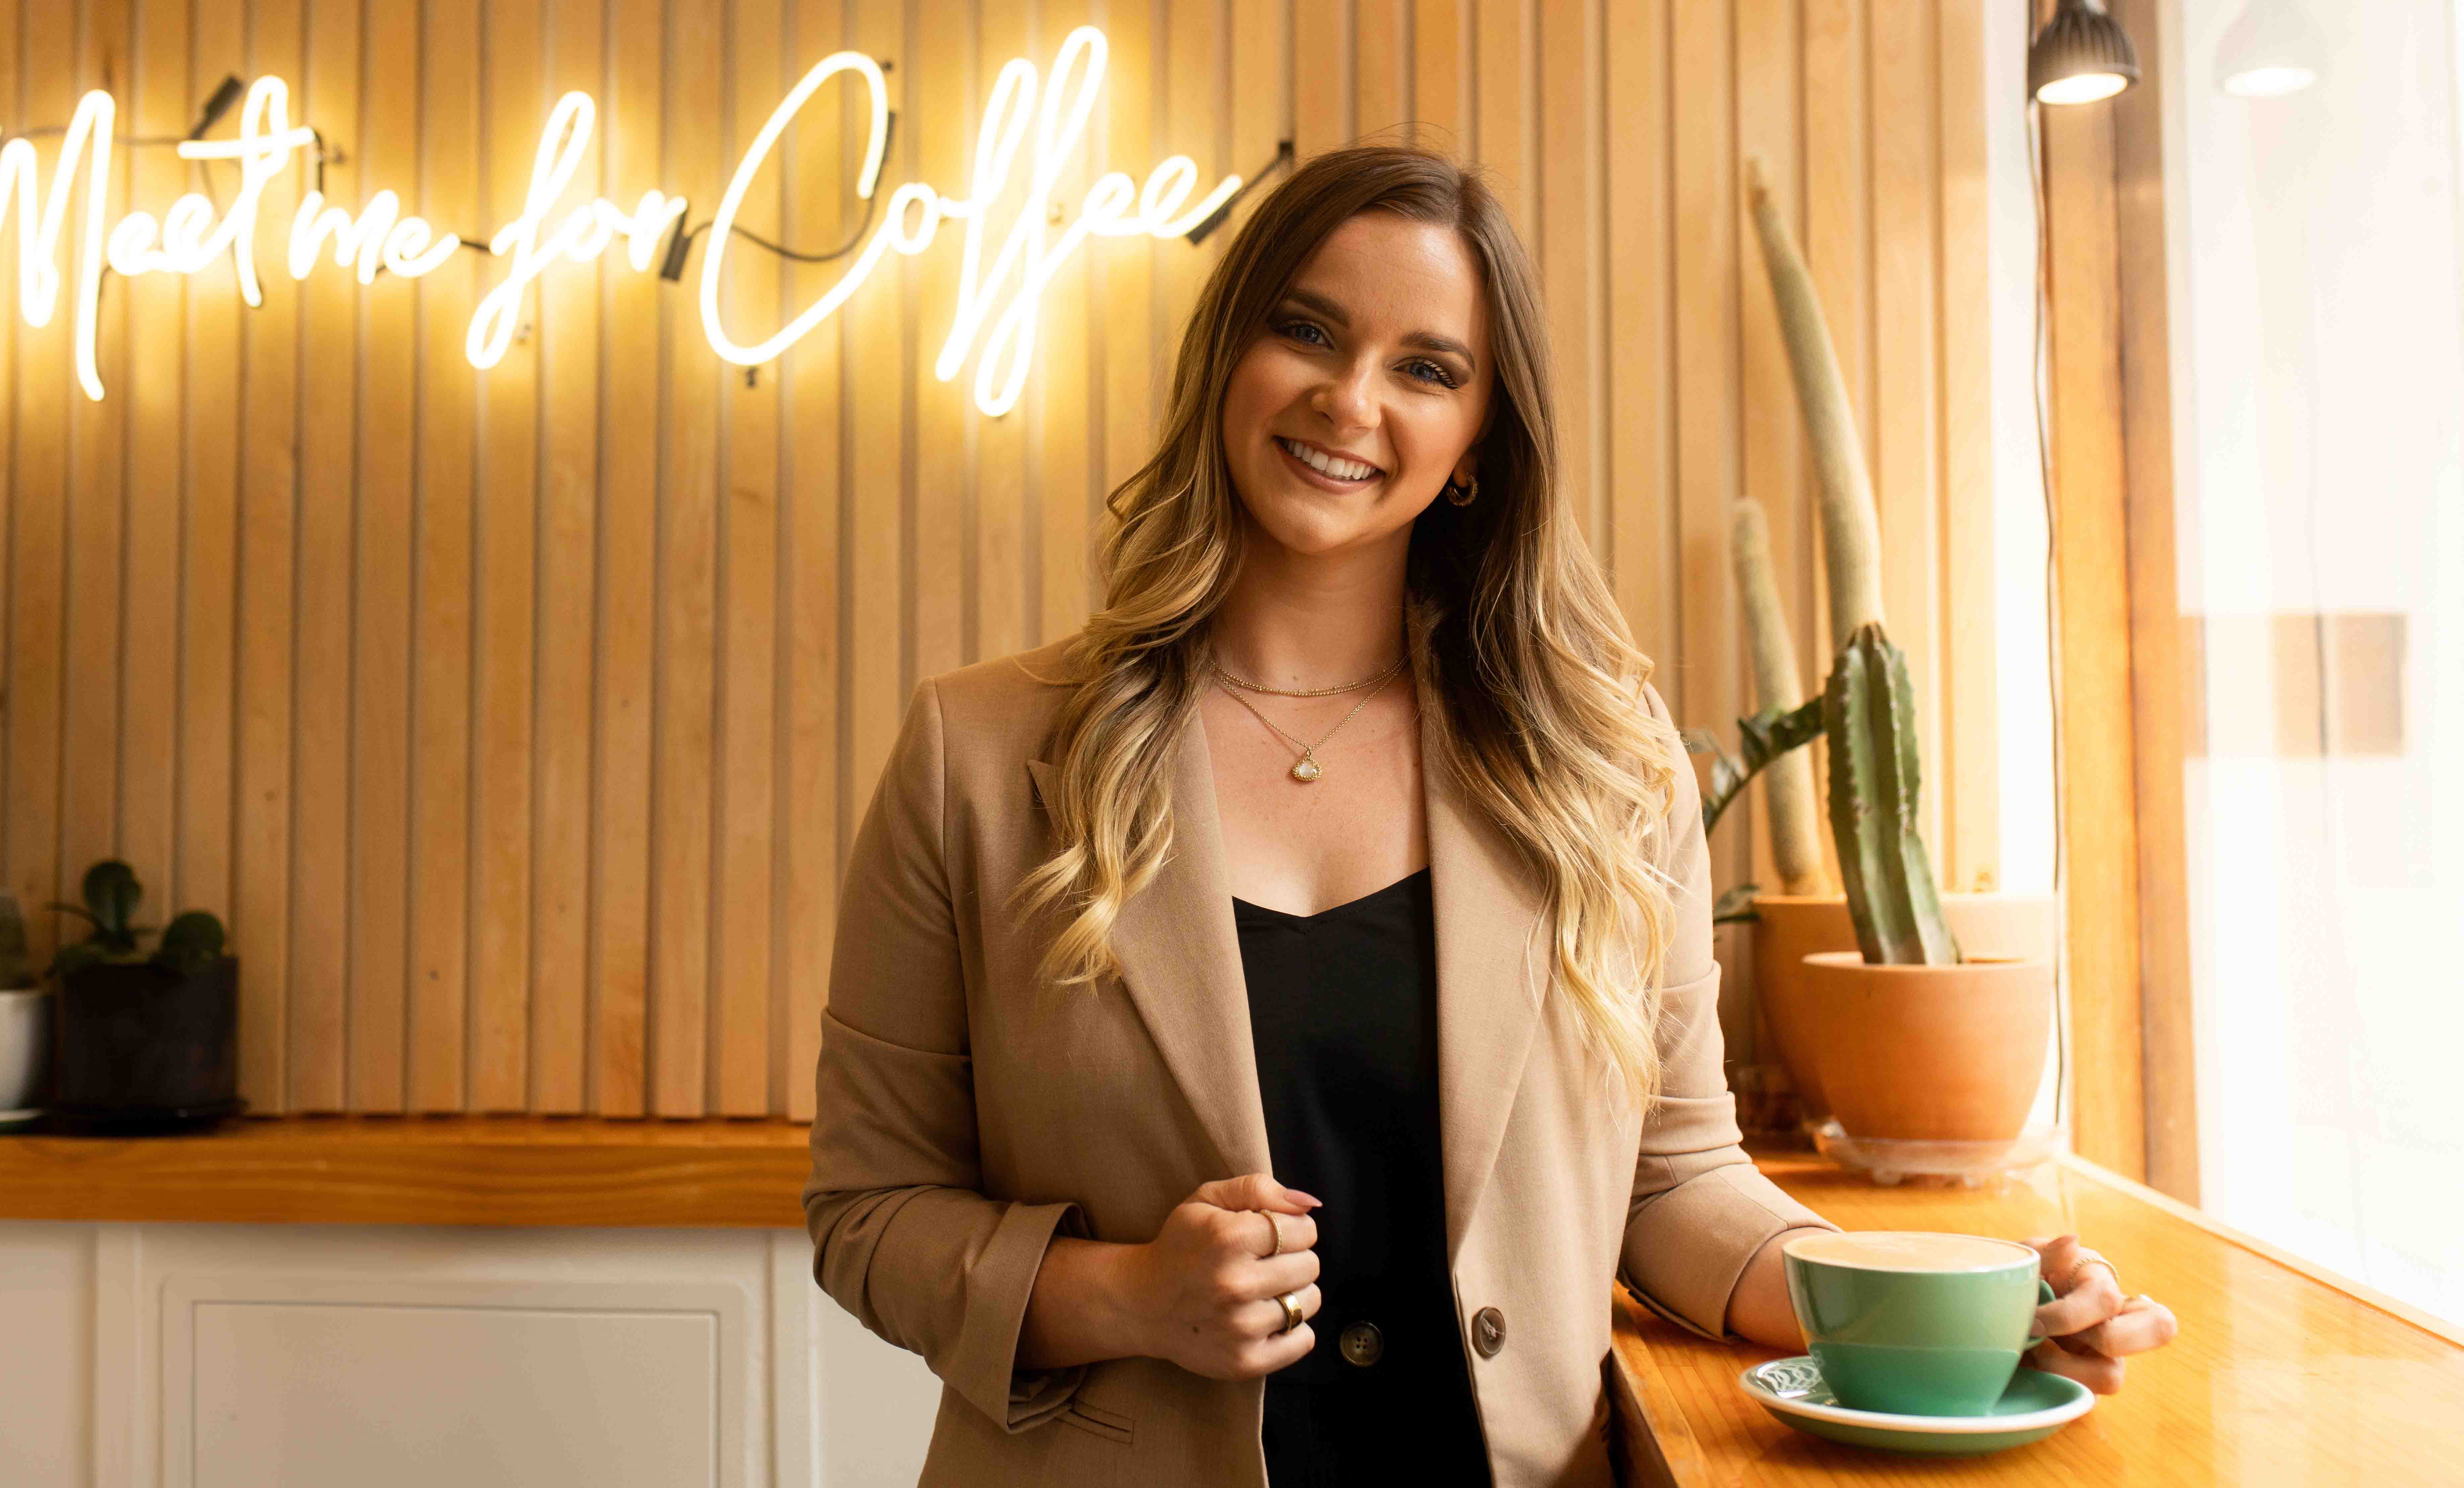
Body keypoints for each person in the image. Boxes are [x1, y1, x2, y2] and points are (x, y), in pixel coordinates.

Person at [803, 144, 2176, 1487]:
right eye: (1306, 331)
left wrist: (1963, 1315)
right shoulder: (975, 753)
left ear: (1473, 441)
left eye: (1425, 369)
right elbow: (869, 1215)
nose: (1350, 400)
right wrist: (1122, 1295)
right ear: (1228, 358)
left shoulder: (1604, 764)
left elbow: (1673, 1184)